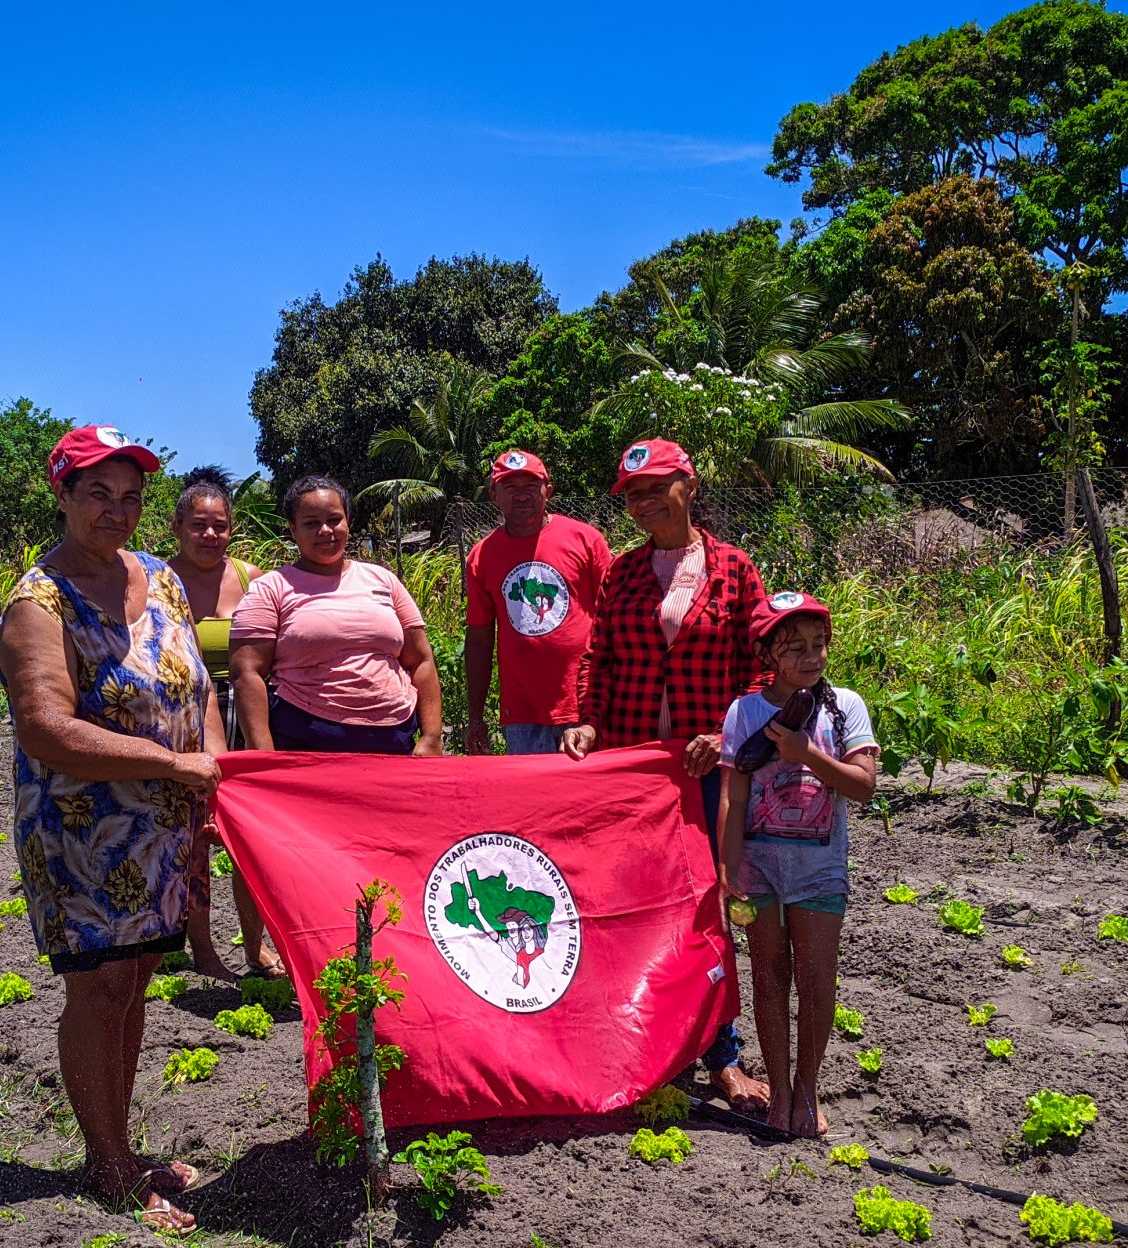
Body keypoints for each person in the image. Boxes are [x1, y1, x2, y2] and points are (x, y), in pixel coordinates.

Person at [0, 423, 219, 1234]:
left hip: (166, 827)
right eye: (98, 493)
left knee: (137, 983)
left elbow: (199, 688)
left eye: (130, 497)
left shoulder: (159, 578)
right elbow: (46, 726)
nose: (116, 511)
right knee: (99, 988)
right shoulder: (38, 601)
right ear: (62, 495)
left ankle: (119, 1146)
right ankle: (109, 1167)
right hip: (84, 833)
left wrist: (219, 773)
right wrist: (172, 767)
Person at [561, 437, 773, 1113]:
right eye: (634, 496)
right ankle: (643, 1036)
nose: (646, 503)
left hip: (706, 772)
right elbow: (598, 655)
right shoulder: (622, 574)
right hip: (633, 770)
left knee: (704, 904)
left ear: (690, 484)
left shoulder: (734, 570)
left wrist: (725, 731)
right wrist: (588, 719)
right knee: (627, 902)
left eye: (658, 488)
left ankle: (722, 1055)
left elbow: (766, 667)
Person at [717, 592, 879, 1137]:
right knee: (768, 975)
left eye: (818, 645)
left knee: (815, 977)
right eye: (795, 649)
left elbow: (863, 787)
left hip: (819, 870)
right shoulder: (744, 712)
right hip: (759, 869)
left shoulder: (846, 707)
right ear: (769, 655)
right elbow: (733, 798)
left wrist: (807, 755)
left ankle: (808, 1088)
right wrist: (728, 868)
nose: (810, 657)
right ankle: (779, 1090)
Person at [166, 467, 283, 981]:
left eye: (220, 526)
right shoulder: (156, 580)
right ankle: (202, 948)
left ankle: (257, 947)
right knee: (195, 833)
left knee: (249, 835)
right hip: (185, 714)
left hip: (250, 710)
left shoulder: (253, 578)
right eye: (198, 525)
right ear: (177, 528)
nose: (209, 535)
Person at [229, 476, 444, 756]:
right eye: (311, 523)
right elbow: (247, 672)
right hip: (305, 739)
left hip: (393, 740)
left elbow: (421, 660)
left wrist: (431, 737)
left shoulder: (383, 580)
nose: (325, 530)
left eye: (334, 519)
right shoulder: (270, 588)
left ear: (348, 522)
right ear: (293, 529)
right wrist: (263, 755)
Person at [463, 448, 612, 756]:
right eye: (510, 487)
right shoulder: (482, 556)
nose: (522, 495)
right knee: (533, 802)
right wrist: (475, 718)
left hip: (585, 706)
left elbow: (613, 620)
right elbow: (479, 639)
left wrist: (614, 696)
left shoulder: (586, 540)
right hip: (522, 715)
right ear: (494, 494)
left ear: (548, 490)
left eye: (531, 485)